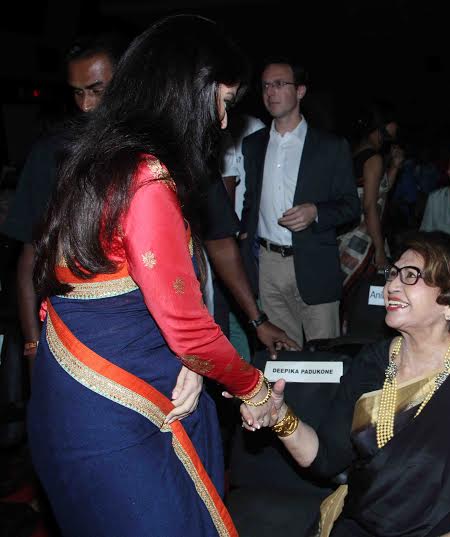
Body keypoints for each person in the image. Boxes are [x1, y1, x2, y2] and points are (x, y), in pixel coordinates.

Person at [27, 15, 277, 536]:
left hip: (79, 396)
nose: (225, 123)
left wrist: (189, 360)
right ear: (192, 91)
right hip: (115, 411)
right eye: (224, 103)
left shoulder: (97, 159)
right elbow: (188, 329)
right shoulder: (145, 177)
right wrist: (256, 390)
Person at [236, 231, 450, 537]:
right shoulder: (372, 362)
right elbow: (325, 459)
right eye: (393, 274)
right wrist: (280, 417)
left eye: (411, 276)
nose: (392, 286)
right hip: (363, 525)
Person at [1, 32, 126, 374]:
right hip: (71, 332)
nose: (86, 104)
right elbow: (28, 260)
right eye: (77, 92)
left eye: (97, 91)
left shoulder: (148, 151)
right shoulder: (52, 153)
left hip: (136, 333)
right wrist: (31, 345)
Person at [240, 57, 360, 347]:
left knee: (325, 361)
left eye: (280, 84)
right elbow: (251, 201)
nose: (271, 92)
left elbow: (351, 206)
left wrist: (316, 212)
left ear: (301, 92)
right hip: (268, 264)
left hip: (314, 261)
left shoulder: (330, 147)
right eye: (266, 86)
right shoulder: (253, 145)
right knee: (282, 360)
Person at [338, 102, 403, 291]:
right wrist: (380, 248)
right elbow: (370, 205)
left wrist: (395, 166)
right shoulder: (373, 158)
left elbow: (380, 191)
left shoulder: (358, 151)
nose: (396, 128)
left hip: (350, 232)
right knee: (363, 294)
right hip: (361, 239)